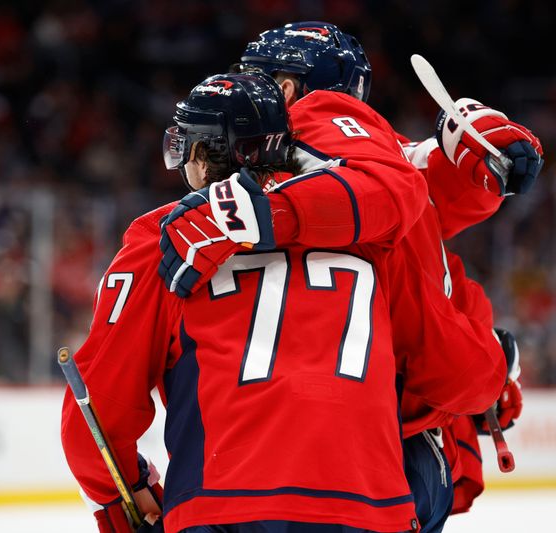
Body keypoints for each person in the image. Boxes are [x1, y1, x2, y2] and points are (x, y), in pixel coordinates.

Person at [62, 71, 506, 533]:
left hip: (222, 504)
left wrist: (120, 495)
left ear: (197, 153)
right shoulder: (375, 240)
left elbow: (97, 410)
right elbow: (464, 376)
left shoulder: (164, 238)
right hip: (371, 508)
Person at [160, 21, 539, 532]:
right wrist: (492, 361)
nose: (244, 94)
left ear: (290, 89)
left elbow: (393, 184)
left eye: (256, 78)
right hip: (382, 464)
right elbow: (417, 182)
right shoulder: (378, 183)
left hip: (260, 468)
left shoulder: (315, 137)